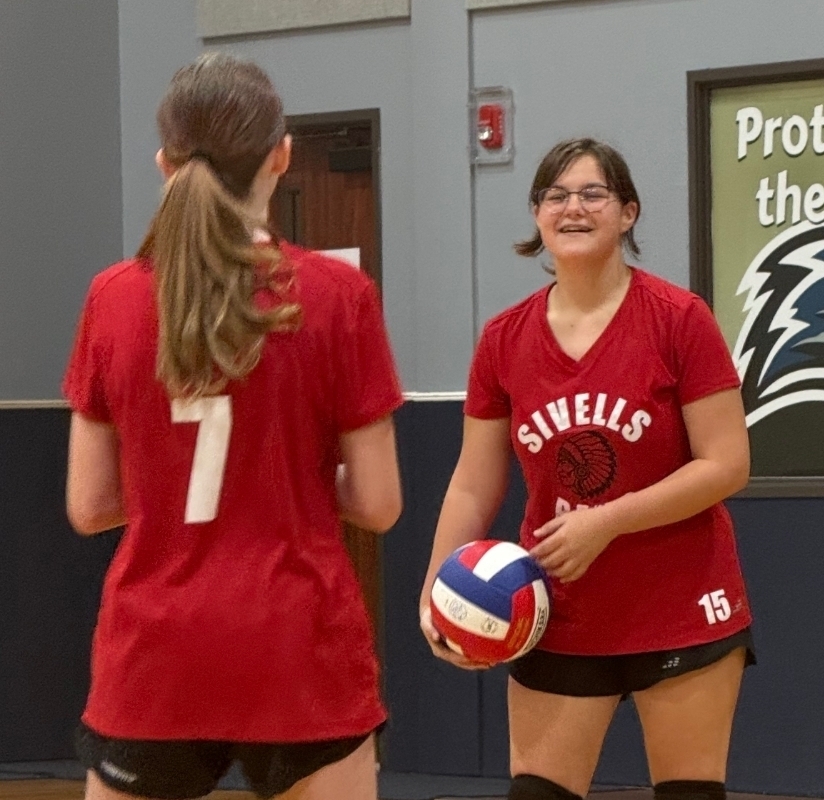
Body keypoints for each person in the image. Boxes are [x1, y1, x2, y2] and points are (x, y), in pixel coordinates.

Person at [64, 52, 403, 800]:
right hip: (298, 645)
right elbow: (379, 504)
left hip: (154, 652)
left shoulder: (112, 298)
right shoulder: (338, 295)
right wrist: (289, 482)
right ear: (281, 156)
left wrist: (169, 483)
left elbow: (89, 508)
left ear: (164, 163)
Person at [419, 138, 754, 800]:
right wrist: (436, 588)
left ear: (627, 213)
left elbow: (726, 464)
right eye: (555, 195)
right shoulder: (502, 339)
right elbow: (473, 482)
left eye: (593, 193)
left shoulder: (679, 318)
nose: (573, 207)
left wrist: (607, 522)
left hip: (682, 600)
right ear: (538, 215)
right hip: (558, 607)